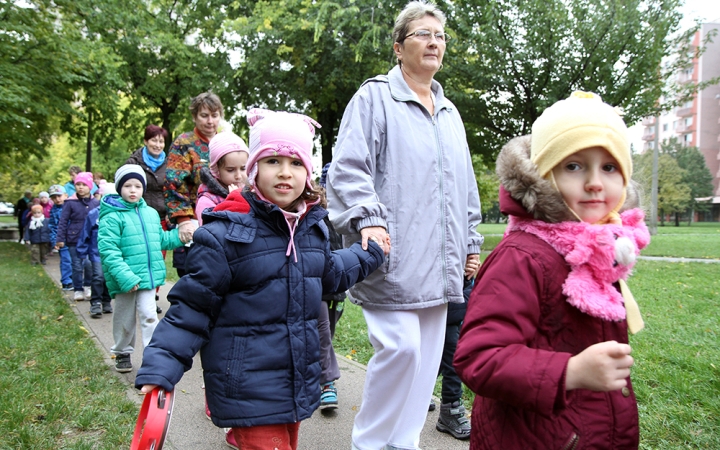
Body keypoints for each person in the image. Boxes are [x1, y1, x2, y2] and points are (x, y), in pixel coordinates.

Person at [136, 109, 386, 450]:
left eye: (296, 163)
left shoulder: (311, 230)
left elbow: (330, 271)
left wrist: (370, 253)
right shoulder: (225, 236)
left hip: (295, 385)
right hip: (246, 387)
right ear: (253, 170)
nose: (285, 172)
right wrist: (160, 368)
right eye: (272, 161)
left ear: (308, 173)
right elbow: (190, 309)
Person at [453, 91, 651, 449]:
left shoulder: (597, 246)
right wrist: (570, 372)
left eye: (609, 167)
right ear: (543, 177)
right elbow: (478, 356)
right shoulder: (523, 256)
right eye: (574, 166)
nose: (594, 182)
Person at [325, 2, 483, 449]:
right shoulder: (375, 97)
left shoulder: (450, 114)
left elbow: (465, 186)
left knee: (426, 360)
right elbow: (349, 169)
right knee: (401, 351)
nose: (435, 41)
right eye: (423, 34)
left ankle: (404, 442)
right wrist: (368, 221)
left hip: (441, 261)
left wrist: (471, 241)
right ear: (398, 47)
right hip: (392, 255)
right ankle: (370, 442)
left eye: (441, 35)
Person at [98, 165, 186, 373]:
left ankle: (152, 357)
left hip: (147, 277)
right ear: (119, 188)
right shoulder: (112, 217)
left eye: (137, 186)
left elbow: (160, 240)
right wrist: (125, 277)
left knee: (149, 316)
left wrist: (181, 236)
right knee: (124, 319)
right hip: (125, 280)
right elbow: (109, 251)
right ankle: (122, 351)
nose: (132, 190)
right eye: (127, 185)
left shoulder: (151, 214)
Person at [164, 91, 224, 258]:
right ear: (194, 116)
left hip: (222, 219)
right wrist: (184, 221)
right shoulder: (184, 143)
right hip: (193, 223)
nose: (210, 121)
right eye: (204, 115)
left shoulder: (227, 142)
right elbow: (173, 182)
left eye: (214, 115)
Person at [126, 124, 171, 314]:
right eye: (154, 140)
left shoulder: (169, 163)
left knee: (157, 259)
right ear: (145, 141)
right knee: (138, 256)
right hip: (138, 216)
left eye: (161, 141)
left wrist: (171, 210)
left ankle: (151, 296)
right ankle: (135, 294)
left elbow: (173, 189)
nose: (158, 144)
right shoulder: (133, 162)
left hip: (160, 218)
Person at [317, 162, 346, 411]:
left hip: (337, 285)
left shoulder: (346, 213)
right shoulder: (315, 211)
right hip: (317, 284)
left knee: (328, 333)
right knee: (323, 333)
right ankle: (327, 384)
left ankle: (318, 374)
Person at [429, 276, 473, 440]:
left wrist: (471, 263)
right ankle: (423, 395)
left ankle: (450, 407)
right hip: (431, 299)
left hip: (454, 301)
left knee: (453, 357)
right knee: (430, 355)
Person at [56, 172, 99, 301]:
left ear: (90, 186)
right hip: (74, 238)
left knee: (90, 264)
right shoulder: (70, 202)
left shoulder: (96, 202)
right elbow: (63, 221)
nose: (80, 187)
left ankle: (87, 286)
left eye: (84, 185)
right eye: (78, 184)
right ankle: (78, 289)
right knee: (76, 265)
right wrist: (60, 239)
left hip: (91, 239)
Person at [77, 183, 115, 318]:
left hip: (113, 253)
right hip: (96, 252)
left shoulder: (120, 215)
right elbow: (85, 233)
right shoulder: (94, 214)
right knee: (98, 276)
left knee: (108, 278)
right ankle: (96, 302)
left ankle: (106, 300)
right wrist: (81, 251)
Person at [195, 131, 249, 226]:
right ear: (216, 170)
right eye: (230, 170)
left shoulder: (250, 191)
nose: (239, 176)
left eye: (243, 168)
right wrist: (234, 202)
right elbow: (213, 232)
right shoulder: (206, 201)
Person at [48, 185, 73, 290]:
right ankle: (67, 281)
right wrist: (55, 241)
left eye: (59, 196)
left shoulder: (71, 207)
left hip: (74, 238)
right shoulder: (54, 211)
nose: (57, 199)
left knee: (77, 261)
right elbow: (53, 227)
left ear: (65, 195)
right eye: (54, 197)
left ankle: (77, 280)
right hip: (62, 241)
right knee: (66, 260)